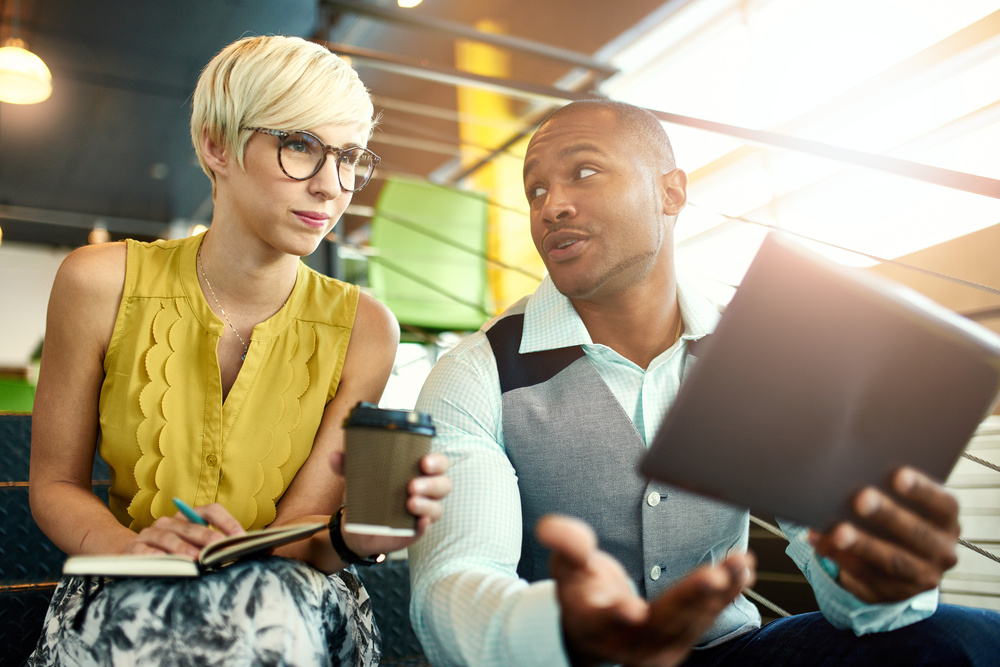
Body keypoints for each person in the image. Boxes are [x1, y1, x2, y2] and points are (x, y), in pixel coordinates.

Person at [408, 98, 1000, 666]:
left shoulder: (759, 359)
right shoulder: (474, 373)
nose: (551, 205)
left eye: (584, 172)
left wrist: (878, 580)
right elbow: (454, 579)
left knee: (969, 641)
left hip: (731, 653)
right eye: (535, 189)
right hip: (569, 658)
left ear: (671, 191)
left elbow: (837, 564)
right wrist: (567, 629)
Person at [27, 35, 450, 666]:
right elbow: (55, 483)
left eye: (350, 158)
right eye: (300, 146)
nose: (332, 186)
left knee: (256, 622)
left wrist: (358, 537)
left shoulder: (367, 328)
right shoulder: (97, 281)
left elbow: (297, 542)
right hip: (126, 573)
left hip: (293, 593)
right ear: (215, 146)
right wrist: (127, 550)